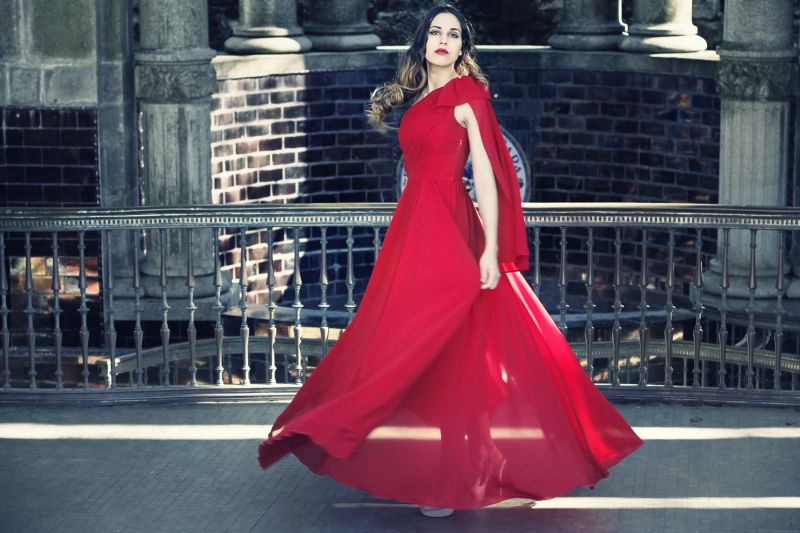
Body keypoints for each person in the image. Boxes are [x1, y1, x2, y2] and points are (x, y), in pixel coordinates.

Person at [258, 3, 643, 518]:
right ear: (422, 44)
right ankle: (368, 438)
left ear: (464, 47)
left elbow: (485, 172)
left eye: (453, 34)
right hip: (413, 226)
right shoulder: (417, 97)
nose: (443, 40)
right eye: (435, 32)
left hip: (451, 225)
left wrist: (489, 247)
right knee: (404, 339)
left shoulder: (468, 93)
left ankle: (465, 470)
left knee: (460, 341)